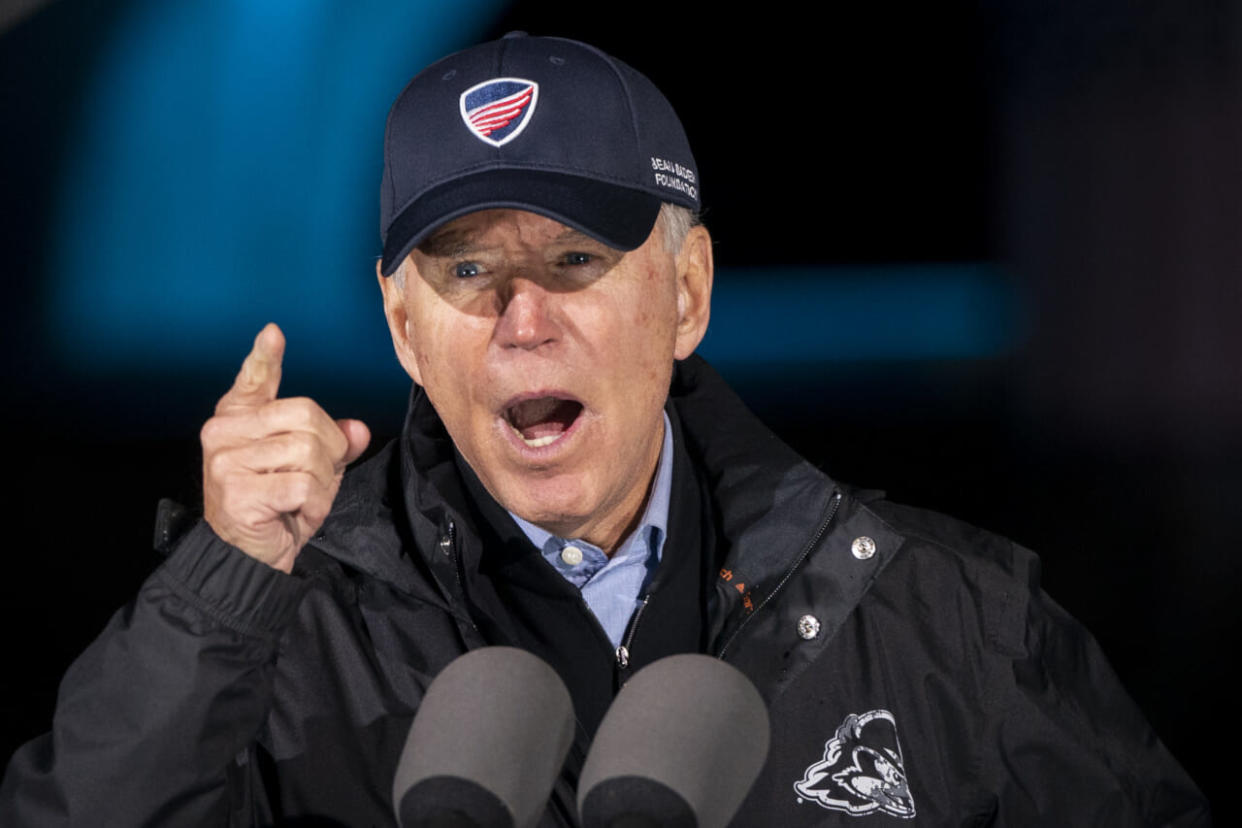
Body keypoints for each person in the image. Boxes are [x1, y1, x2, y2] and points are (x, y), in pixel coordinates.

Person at [0, 33, 1210, 827]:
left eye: (576, 260)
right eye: (467, 272)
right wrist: (220, 585)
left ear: (685, 296)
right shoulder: (273, 632)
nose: (522, 321)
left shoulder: (950, 625)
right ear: (404, 332)